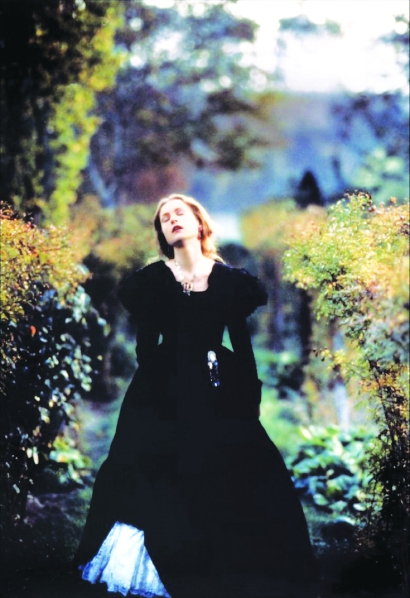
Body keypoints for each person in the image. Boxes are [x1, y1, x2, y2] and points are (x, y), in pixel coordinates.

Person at [76, 194, 317, 597]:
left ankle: (231, 560)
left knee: (231, 469)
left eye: (179, 213)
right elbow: (145, 347)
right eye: (164, 218)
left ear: (199, 223)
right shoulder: (153, 280)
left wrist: (247, 396)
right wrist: (160, 390)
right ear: (162, 233)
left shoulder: (229, 281)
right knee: (155, 469)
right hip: (161, 390)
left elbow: (241, 345)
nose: (172, 219)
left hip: (217, 386)